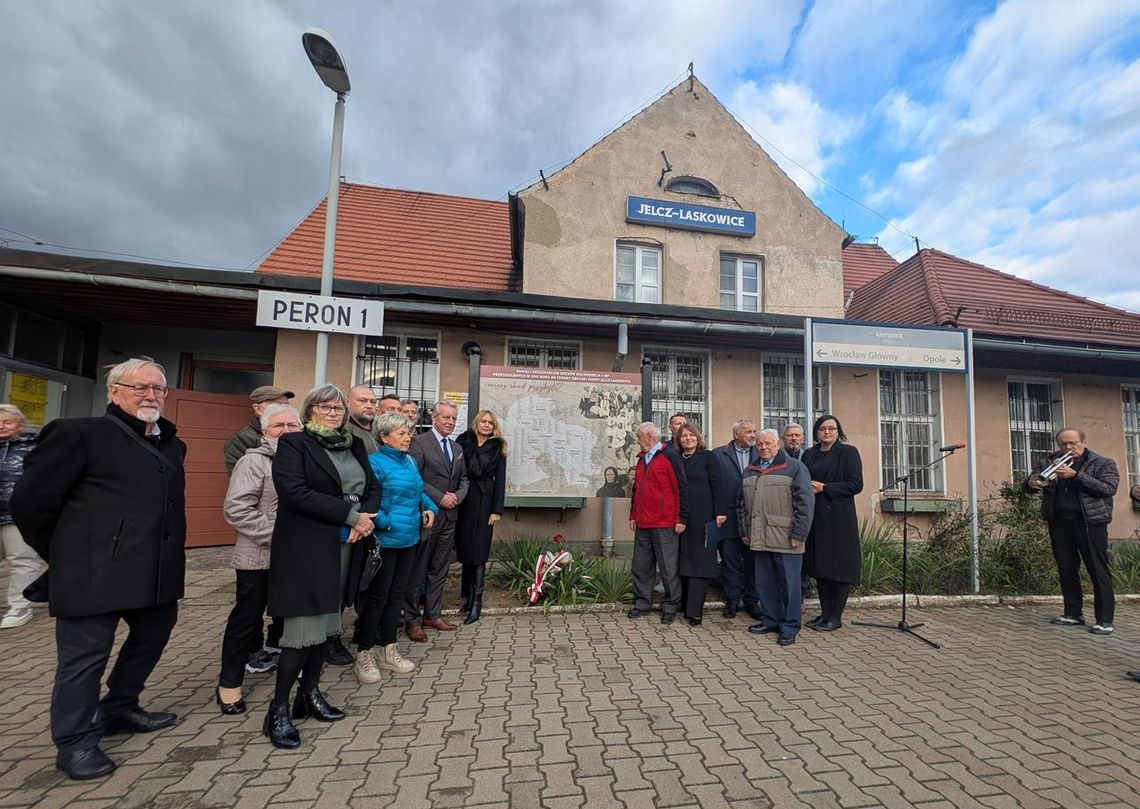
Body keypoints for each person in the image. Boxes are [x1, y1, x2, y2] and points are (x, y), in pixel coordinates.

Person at [10, 358, 186, 780]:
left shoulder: (171, 442)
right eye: (139, 387)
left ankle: (121, 706)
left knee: (150, 639)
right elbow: (30, 503)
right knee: (83, 660)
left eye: (158, 389)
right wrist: (68, 551)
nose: (150, 395)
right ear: (114, 391)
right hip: (93, 573)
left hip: (155, 570)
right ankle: (75, 742)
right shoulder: (78, 434)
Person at [263, 384, 380, 749]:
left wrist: (364, 516)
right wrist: (349, 514)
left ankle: (309, 694)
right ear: (310, 410)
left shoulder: (354, 444)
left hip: (345, 547)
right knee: (301, 633)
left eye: (338, 408)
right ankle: (278, 709)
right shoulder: (295, 445)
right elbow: (295, 493)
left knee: (328, 626)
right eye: (325, 407)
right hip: (307, 550)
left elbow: (372, 486)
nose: (333, 413)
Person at [216, 404, 301, 715]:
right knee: (246, 621)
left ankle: (294, 678)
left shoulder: (301, 462)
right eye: (279, 425)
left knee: (290, 619)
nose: (287, 431)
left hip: (294, 559)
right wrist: (279, 535)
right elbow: (236, 510)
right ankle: (229, 685)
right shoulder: (254, 462)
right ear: (266, 431)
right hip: (259, 557)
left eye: (293, 425)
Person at [355, 412, 438, 683]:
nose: (408, 437)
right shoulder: (374, 463)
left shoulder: (410, 461)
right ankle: (365, 654)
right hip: (386, 541)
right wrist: (388, 524)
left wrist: (430, 507)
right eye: (402, 433)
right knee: (378, 598)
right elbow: (370, 500)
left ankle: (388, 650)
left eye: (409, 432)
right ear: (384, 436)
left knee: (397, 596)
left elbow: (418, 490)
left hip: (409, 540)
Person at [1026, 427, 1119, 635]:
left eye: (1072, 443)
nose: (1068, 448)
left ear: (1083, 443)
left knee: (1098, 570)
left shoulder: (1102, 463)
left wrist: (1075, 476)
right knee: (1066, 569)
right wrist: (1032, 483)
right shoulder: (1049, 462)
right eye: (1063, 444)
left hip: (1089, 523)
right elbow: (1030, 485)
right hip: (1059, 522)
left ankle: (1104, 620)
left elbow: (1107, 489)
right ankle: (1073, 614)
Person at [740, 428, 814, 646]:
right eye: (760, 444)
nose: (763, 447)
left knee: (790, 586)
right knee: (765, 583)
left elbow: (805, 503)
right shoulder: (750, 470)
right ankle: (770, 620)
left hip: (786, 537)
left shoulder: (795, 468)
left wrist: (799, 533)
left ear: (778, 445)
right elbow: (741, 504)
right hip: (759, 537)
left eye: (768, 444)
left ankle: (790, 626)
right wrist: (745, 531)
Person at [405, 400, 468, 641]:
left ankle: (433, 614)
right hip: (427, 516)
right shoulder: (419, 443)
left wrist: (457, 497)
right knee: (418, 570)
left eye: (453, 418)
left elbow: (465, 480)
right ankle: (412, 620)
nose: (450, 422)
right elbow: (415, 478)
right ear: (434, 418)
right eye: (446, 417)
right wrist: (439, 498)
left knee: (439, 568)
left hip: (450, 517)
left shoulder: (457, 447)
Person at [800, 415, 863, 632]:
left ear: (838, 431)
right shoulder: (809, 454)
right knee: (821, 568)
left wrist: (826, 488)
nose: (827, 432)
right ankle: (824, 613)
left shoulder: (848, 453)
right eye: (822, 429)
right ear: (816, 432)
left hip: (839, 519)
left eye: (831, 429)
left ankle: (836, 616)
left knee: (838, 569)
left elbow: (855, 485)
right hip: (816, 518)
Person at [627, 421, 688, 624]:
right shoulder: (641, 459)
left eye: (639, 437)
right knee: (641, 566)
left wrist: (681, 518)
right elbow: (637, 492)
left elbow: (681, 489)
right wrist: (633, 515)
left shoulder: (670, 456)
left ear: (649, 437)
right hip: (643, 523)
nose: (637, 440)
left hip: (665, 523)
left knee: (668, 567)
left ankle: (671, 605)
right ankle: (642, 603)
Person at [454, 410, 508, 624]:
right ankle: (466, 596)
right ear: (477, 423)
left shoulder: (497, 447)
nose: (486, 425)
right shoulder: (463, 441)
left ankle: (477, 602)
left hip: (485, 501)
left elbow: (500, 481)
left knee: (479, 549)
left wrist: (496, 510)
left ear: (494, 427)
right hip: (464, 498)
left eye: (490, 423)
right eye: (483, 421)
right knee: (465, 546)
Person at [673, 424, 727, 626]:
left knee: (700, 563)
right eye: (683, 436)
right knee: (684, 561)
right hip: (682, 516)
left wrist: (720, 512)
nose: (688, 438)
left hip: (705, 516)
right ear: (678, 440)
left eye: (691, 435)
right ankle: (685, 605)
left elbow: (718, 484)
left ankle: (695, 611)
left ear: (697, 437)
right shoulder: (676, 458)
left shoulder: (708, 457)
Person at [0, 404, 46, 629]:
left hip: (17, 513)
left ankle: (20, 606)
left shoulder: (35, 447)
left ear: (20, 424)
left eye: (7, 422)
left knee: (22, 559)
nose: (1, 426)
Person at [712, 419, 761, 619]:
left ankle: (752, 601)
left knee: (753, 563)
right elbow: (713, 486)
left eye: (754, 431)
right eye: (748, 432)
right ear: (735, 435)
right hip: (729, 518)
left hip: (754, 519)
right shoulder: (719, 454)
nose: (753, 435)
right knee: (729, 562)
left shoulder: (762, 453)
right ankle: (732, 601)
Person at [223, 386, 295, 475]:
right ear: (258, 409)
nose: (284, 409)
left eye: (286, 405)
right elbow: (242, 479)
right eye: (278, 405)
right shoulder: (241, 439)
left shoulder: (295, 432)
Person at [345, 385, 379, 454]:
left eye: (373, 402)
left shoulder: (381, 427)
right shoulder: (343, 430)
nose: (369, 406)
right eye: (362, 401)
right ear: (347, 403)